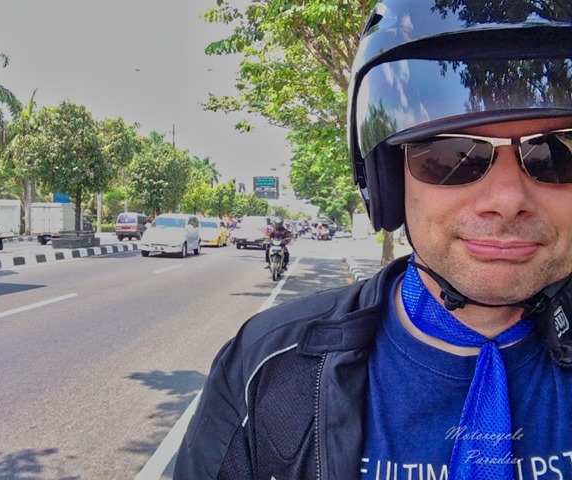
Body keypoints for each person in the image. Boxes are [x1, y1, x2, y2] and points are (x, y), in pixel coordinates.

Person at [174, 1, 572, 478]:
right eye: (453, 155)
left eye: (556, 153)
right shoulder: (266, 367)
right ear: (386, 180)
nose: (507, 200)